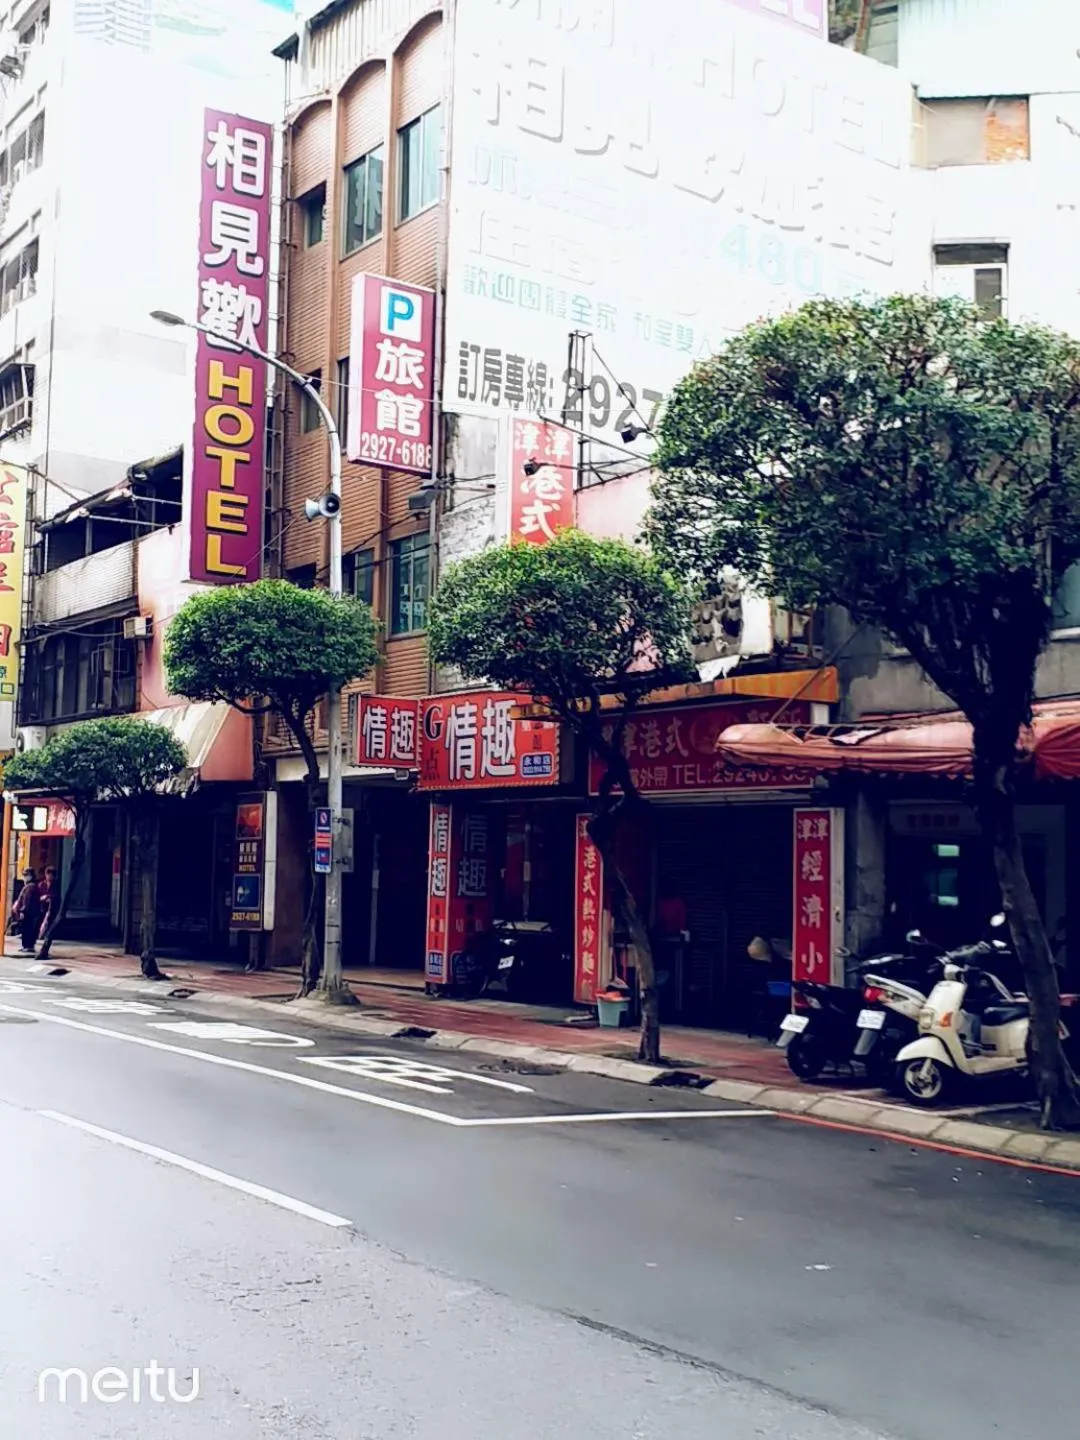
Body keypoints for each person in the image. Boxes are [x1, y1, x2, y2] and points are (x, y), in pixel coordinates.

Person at [11, 868, 42, 954]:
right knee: (27, 929)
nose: (24, 877)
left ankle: (28, 946)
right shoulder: (30, 886)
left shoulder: (31, 887)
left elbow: (27, 901)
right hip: (30, 912)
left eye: (26, 875)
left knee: (28, 929)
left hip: (29, 913)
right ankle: (27, 946)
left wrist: (22, 911)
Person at [37, 865, 57, 944]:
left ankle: (46, 935)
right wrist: (42, 898)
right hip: (42, 906)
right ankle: (39, 934)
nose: (49, 877)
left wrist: (49, 897)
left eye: (51, 875)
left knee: (49, 920)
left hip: (51, 906)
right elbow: (37, 895)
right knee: (40, 919)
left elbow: (56, 895)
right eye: (48, 875)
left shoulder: (55, 885)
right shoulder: (41, 884)